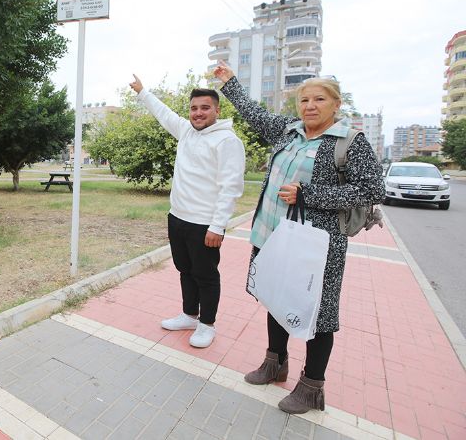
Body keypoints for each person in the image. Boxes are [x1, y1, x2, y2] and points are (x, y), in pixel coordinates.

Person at [212, 61, 385, 414]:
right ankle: (275, 363)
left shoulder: (350, 142)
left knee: (319, 314)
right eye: (304, 100)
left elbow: (372, 188)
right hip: (273, 235)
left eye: (319, 99)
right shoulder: (288, 131)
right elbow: (252, 114)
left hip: (316, 247)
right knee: (275, 298)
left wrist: (310, 195)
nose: (310, 106)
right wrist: (230, 83)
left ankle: (311, 386)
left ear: (336, 104)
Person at [129, 74, 245, 348]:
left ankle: (207, 324)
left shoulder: (227, 141)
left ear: (217, 110)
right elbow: (163, 113)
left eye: (205, 108)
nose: (198, 113)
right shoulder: (186, 131)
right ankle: (190, 314)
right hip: (178, 217)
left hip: (204, 224)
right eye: (194, 108)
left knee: (206, 275)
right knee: (185, 270)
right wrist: (143, 91)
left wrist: (218, 226)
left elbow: (231, 187)